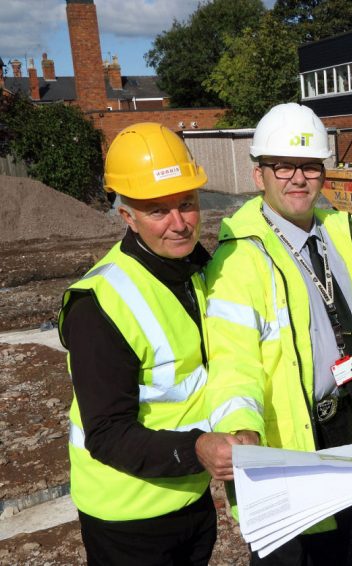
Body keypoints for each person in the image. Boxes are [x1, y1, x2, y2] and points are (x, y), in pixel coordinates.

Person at [58, 122, 253, 565]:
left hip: (189, 497)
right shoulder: (99, 305)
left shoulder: (195, 267)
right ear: (127, 216)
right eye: (157, 211)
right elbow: (105, 434)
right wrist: (197, 447)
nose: (180, 223)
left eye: (187, 204)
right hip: (129, 517)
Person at [203, 103, 352, 566]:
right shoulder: (239, 258)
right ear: (259, 173)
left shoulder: (343, 237)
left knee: (337, 548)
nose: (298, 178)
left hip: (344, 424)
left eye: (309, 166)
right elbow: (232, 360)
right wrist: (240, 427)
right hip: (281, 442)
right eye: (283, 165)